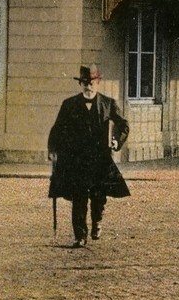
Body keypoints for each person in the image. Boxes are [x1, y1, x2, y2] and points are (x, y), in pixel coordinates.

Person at [48, 64, 130, 248]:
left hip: (100, 160)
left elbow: (123, 125)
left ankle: (97, 221)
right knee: (79, 197)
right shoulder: (69, 105)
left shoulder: (108, 104)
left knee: (98, 196)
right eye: (85, 83)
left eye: (92, 82)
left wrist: (116, 141)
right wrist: (53, 151)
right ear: (80, 84)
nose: (88, 86)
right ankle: (80, 236)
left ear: (98, 83)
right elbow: (57, 130)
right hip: (77, 159)